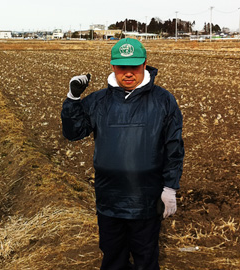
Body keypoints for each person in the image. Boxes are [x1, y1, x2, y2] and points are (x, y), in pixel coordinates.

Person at [61, 38, 184, 270]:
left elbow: (173, 147)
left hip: (146, 199)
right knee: (113, 258)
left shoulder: (163, 100)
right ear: (113, 67)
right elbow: (73, 133)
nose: (128, 74)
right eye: (122, 68)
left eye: (134, 67)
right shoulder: (98, 101)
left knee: (145, 258)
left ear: (145, 65)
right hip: (109, 198)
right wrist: (73, 98)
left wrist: (169, 188)